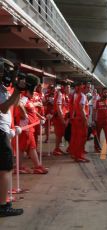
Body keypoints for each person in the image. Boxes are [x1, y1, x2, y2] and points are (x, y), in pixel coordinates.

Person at [0, 57, 24, 217]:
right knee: (5, 169)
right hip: (0, 133)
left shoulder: (2, 87)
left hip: (3, 131)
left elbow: (13, 104)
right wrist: (16, 91)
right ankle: (3, 205)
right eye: (7, 70)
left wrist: (18, 90)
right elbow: (3, 108)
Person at [16, 74, 48, 174]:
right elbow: (19, 104)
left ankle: (34, 166)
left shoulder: (28, 98)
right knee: (26, 147)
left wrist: (39, 116)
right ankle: (21, 167)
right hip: (26, 127)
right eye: (35, 86)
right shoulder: (24, 97)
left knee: (30, 147)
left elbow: (32, 109)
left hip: (29, 128)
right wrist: (24, 114)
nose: (36, 89)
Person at [69, 82, 89, 163]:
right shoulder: (83, 96)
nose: (89, 89)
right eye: (87, 87)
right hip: (81, 120)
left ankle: (75, 154)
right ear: (83, 88)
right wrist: (85, 121)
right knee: (81, 139)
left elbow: (75, 108)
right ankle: (79, 156)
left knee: (76, 138)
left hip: (77, 119)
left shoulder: (78, 96)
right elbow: (81, 109)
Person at [93, 88, 107, 154]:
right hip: (98, 121)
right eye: (104, 92)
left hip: (106, 122)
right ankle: (96, 148)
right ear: (102, 93)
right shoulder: (97, 101)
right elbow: (94, 112)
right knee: (97, 135)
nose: (106, 93)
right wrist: (93, 121)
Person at [52, 81, 69, 155]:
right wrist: (62, 120)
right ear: (63, 87)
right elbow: (59, 108)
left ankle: (58, 148)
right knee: (59, 134)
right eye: (67, 87)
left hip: (61, 117)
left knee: (61, 134)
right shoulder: (60, 94)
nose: (69, 89)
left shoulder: (64, 94)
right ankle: (56, 149)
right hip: (59, 118)